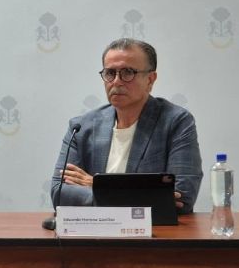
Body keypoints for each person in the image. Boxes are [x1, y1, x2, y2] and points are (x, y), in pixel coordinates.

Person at [50, 38, 203, 213]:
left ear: (150, 80)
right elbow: (60, 193)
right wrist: (138, 196)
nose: (116, 81)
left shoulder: (176, 122)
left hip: (153, 235)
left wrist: (98, 185)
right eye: (110, 73)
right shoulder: (82, 126)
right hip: (93, 233)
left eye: (127, 72)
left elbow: (182, 197)